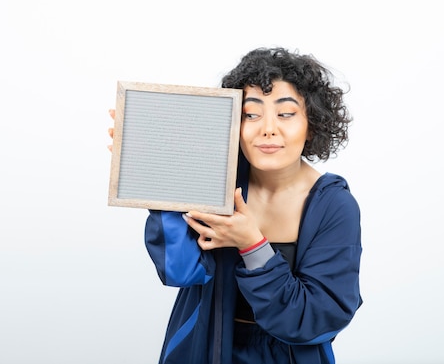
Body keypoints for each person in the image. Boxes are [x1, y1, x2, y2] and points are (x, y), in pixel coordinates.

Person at [107, 47, 362, 364]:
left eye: (285, 114)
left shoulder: (334, 204)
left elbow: (316, 318)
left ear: (313, 124)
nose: (268, 128)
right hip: (207, 346)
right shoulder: (219, 182)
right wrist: (159, 167)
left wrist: (252, 244)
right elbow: (179, 270)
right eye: (250, 114)